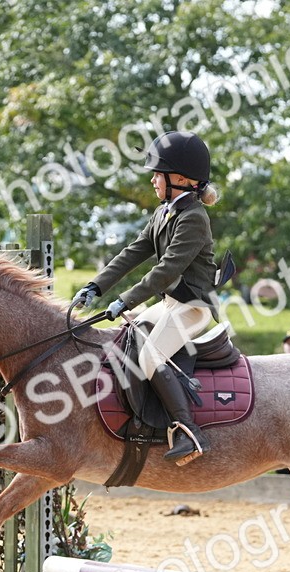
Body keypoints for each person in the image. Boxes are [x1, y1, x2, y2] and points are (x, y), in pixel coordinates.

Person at [71, 130, 220, 466]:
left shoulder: (194, 218)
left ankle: (188, 431)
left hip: (193, 308)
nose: (153, 180)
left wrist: (124, 300)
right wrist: (96, 286)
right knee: (125, 337)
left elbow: (165, 271)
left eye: (158, 174)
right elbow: (133, 252)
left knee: (151, 357)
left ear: (181, 179)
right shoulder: (164, 212)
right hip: (169, 305)